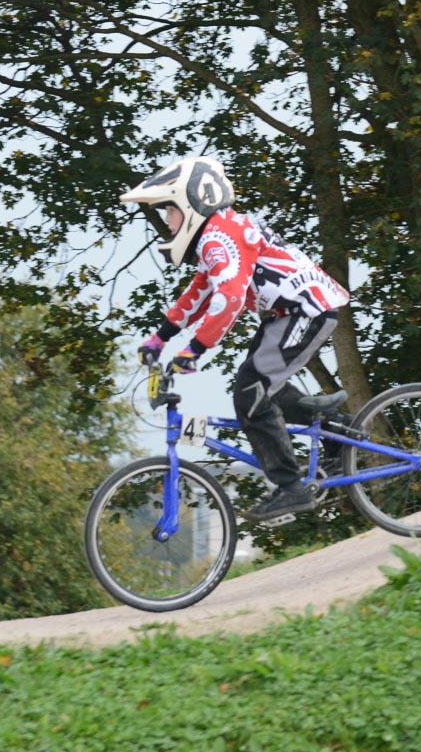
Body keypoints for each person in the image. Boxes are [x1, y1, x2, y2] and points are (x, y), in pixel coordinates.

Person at [121, 156, 351, 523]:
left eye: (170, 211)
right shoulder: (217, 234)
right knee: (260, 386)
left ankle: (291, 488)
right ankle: (335, 429)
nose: (168, 222)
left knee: (250, 391)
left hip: (306, 311)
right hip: (290, 314)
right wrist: (160, 339)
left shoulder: (219, 237)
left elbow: (228, 298)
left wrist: (194, 349)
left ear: (192, 204)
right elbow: (200, 292)